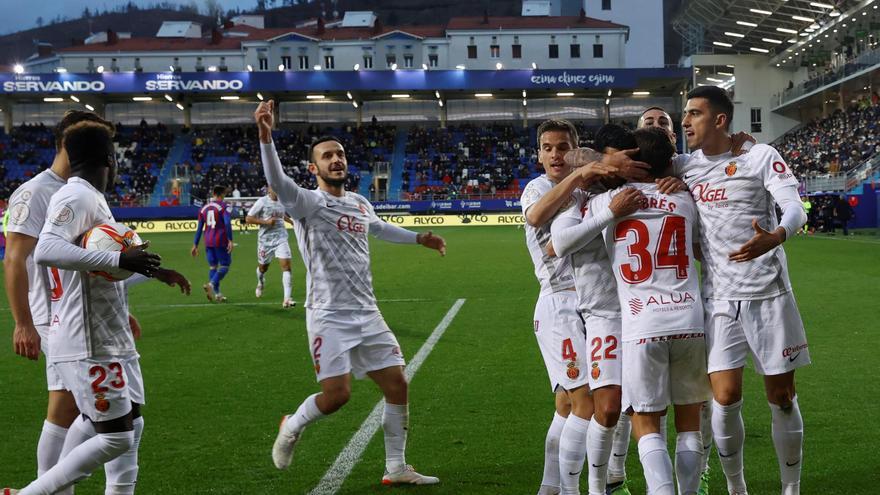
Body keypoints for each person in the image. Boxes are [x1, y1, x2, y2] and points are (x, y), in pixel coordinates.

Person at [255, 100, 446, 485]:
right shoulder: (308, 202)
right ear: (315, 168)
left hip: (367, 312)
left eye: (340, 154)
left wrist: (419, 238)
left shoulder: (359, 202)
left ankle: (396, 468)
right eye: (327, 156)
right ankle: (292, 425)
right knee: (337, 396)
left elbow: (378, 229)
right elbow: (278, 183)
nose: (336, 160)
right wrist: (265, 136)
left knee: (397, 384)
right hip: (329, 314)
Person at [8, 121, 188, 495]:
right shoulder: (77, 198)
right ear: (109, 158)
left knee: (127, 426)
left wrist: (150, 271)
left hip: (106, 333)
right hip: (86, 338)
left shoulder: (88, 197)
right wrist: (120, 260)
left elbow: (95, 271)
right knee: (116, 436)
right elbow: (46, 251)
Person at [555, 127, 711, 495]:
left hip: (642, 325)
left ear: (632, 161)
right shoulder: (688, 199)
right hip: (691, 319)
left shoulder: (606, 202)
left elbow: (560, 243)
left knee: (647, 425)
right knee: (689, 424)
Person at [677, 86, 808, 495]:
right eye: (684, 115)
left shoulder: (760, 156)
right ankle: (737, 487)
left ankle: (791, 487)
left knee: (782, 396)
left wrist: (777, 235)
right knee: (725, 396)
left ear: (719, 120)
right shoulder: (684, 167)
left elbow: (795, 207)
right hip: (718, 299)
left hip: (768, 294)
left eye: (694, 114)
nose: (685, 122)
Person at [523, 120, 654, 495]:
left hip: (585, 302)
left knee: (567, 404)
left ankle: (552, 486)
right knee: (584, 403)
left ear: (577, 149)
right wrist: (583, 174)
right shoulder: (540, 187)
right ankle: (569, 489)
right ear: (538, 154)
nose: (554, 155)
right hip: (559, 301)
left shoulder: (586, 182)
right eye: (547, 148)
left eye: (562, 147)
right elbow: (536, 219)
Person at [4, 111, 116, 488]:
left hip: (81, 317)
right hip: (53, 319)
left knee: (68, 408)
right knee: (99, 414)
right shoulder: (35, 192)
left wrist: (115, 311)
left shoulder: (84, 189)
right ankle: (45, 487)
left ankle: (48, 486)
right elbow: (16, 258)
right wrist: (23, 323)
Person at [245, 185, 296, 308]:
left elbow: (281, 215)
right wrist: (266, 222)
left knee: (287, 267)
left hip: (281, 238)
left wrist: (291, 222)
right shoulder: (262, 202)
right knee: (263, 268)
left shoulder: (282, 201)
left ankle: (287, 299)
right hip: (265, 241)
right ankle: (261, 282)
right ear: (269, 189)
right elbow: (248, 218)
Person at [191, 185, 234, 302]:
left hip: (208, 241)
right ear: (222, 194)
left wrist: (195, 244)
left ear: (213, 194)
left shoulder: (203, 209)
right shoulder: (224, 206)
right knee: (225, 265)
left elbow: (199, 228)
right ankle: (211, 284)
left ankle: (218, 294)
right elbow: (227, 223)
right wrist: (230, 239)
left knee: (213, 266)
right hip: (220, 240)